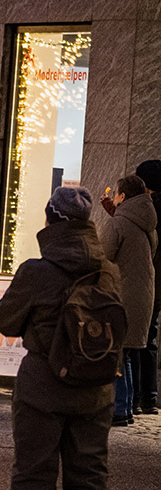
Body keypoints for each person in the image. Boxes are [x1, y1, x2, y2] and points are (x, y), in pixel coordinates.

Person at [0, 185, 117, 490]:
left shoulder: (36, 271)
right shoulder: (108, 270)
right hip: (95, 389)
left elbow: (4, 320)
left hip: (42, 386)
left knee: (34, 474)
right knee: (90, 474)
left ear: (51, 220)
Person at [100, 174, 157, 426]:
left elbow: (104, 256)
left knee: (117, 353)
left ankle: (120, 409)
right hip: (143, 297)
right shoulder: (149, 224)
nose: (112, 197)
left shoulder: (118, 224)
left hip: (121, 297)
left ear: (123, 197)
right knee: (130, 353)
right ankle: (129, 407)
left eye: (116, 194)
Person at [134, 159, 161, 416]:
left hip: (146, 280)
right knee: (149, 336)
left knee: (137, 339)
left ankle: (134, 398)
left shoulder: (148, 207)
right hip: (157, 281)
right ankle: (149, 397)